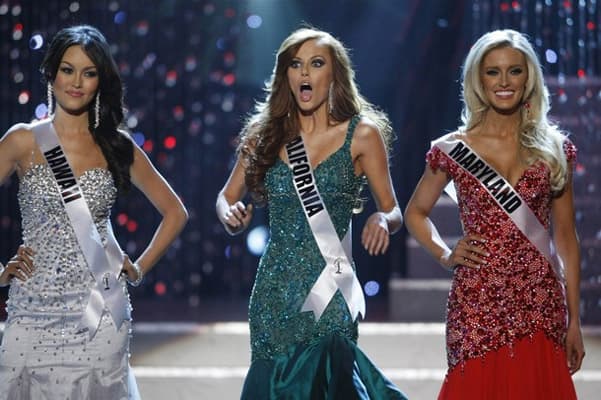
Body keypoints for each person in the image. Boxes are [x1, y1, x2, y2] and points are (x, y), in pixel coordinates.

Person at [216, 27, 407, 399]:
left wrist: (383, 219)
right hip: (274, 293)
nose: (305, 73)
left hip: (330, 288)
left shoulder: (362, 135)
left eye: (316, 64)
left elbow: (394, 209)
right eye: (296, 64)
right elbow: (226, 196)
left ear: (333, 74)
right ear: (285, 75)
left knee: (329, 379)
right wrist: (230, 214)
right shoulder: (264, 135)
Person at [0, 25, 188, 399]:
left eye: (88, 73)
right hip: (32, 312)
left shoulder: (116, 146)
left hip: (99, 309)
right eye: (67, 69)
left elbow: (175, 212)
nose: (76, 82)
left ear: (100, 81)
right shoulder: (22, 139)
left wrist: (138, 267)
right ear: (51, 72)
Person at [404, 29, 584, 399]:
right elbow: (416, 213)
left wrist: (575, 319)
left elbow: (566, 237)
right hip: (478, 299)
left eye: (514, 71)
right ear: (478, 79)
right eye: (493, 72)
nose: (504, 82)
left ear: (528, 77)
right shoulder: (453, 148)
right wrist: (445, 254)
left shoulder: (554, 149)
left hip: (540, 300)